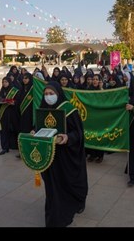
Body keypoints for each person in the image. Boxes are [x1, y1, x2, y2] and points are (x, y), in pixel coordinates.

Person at [34, 81, 88, 227]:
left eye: (51, 94)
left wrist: (68, 138)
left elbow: (78, 133)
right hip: (49, 156)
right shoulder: (43, 108)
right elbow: (38, 126)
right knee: (52, 187)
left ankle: (71, 203)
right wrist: (34, 132)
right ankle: (54, 212)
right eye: (46, 94)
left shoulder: (69, 109)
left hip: (65, 156)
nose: (48, 97)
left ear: (58, 94)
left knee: (66, 183)